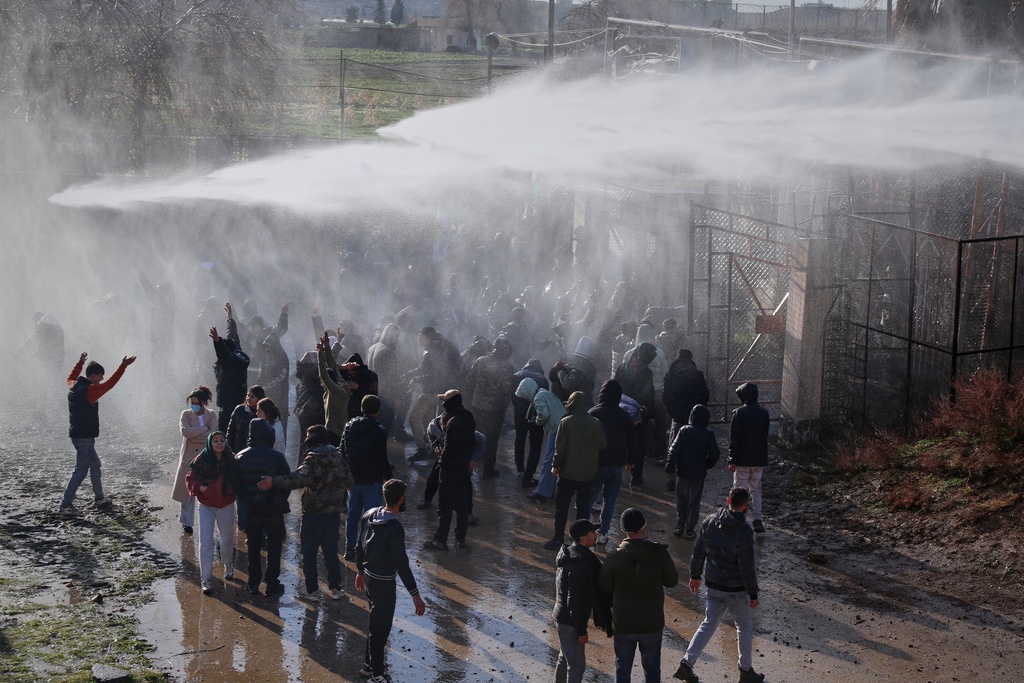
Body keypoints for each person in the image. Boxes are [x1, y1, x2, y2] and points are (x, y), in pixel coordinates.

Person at [673, 488, 763, 683]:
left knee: (708, 624)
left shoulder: (710, 521)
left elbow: (698, 552)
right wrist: (753, 593)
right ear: (746, 505)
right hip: (736, 589)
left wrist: (695, 576)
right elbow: (746, 566)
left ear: (728, 500)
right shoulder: (745, 531)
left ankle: (686, 663)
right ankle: (746, 671)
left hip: (713, 584)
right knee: (744, 627)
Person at [258, 425, 351, 601]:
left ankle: (312, 591)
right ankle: (336, 589)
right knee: (331, 552)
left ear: (313, 438)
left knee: (309, 553)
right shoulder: (338, 456)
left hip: (313, 514)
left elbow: (297, 479)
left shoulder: (312, 459)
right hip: (333, 514)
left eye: (308, 435)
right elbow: (350, 480)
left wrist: (273, 481)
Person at [355, 478, 427, 683]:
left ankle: (369, 665)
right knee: (381, 628)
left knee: (374, 622)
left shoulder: (369, 514)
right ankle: (377, 675)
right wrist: (416, 596)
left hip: (369, 577)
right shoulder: (394, 528)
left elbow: (359, 546)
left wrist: (360, 571)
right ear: (402, 499)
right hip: (384, 583)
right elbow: (402, 565)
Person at [598, 507, 679, 683]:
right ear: (644, 527)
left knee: (623, 668)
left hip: (623, 623)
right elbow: (672, 581)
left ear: (623, 530)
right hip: (652, 623)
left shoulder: (615, 557)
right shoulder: (659, 554)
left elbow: (604, 587)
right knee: (651, 669)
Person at [59, 352, 136, 516]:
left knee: (95, 465)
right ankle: (66, 505)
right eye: (100, 376)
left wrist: (80, 363)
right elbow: (110, 384)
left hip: (78, 435)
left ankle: (99, 498)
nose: (101, 379)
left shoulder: (73, 384)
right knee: (80, 471)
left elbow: (71, 375)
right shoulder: (90, 390)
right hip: (84, 437)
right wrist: (123, 366)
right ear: (93, 376)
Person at [234, 418, 291, 597]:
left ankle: (253, 583)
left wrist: (250, 499)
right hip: (274, 511)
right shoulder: (277, 456)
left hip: (252, 511)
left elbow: (237, 486)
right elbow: (287, 482)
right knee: (274, 548)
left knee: (253, 547)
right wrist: (277, 498)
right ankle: (272, 583)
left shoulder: (240, 456)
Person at [553, 518, 612, 683]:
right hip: (570, 621)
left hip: (562, 617)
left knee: (564, 658)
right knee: (577, 666)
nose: (596, 534)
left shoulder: (572, 554)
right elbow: (575, 601)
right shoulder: (579, 564)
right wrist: (581, 631)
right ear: (582, 538)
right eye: (592, 532)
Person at [545, 391, 606, 550]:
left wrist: (555, 465)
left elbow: (560, 449)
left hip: (567, 474)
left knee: (561, 508)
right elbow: (603, 445)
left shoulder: (566, 422)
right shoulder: (595, 422)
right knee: (583, 509)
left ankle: (558, 538)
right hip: (587, 474)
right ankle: (580, 542)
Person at [184, 431, 236, 595]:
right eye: (215, 440)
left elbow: (240, 477)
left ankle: (228, 565)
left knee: (226, 540)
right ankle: (206, 578)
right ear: (210, 443)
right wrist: (201, 487)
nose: (219, 443)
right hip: (206, 505)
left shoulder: (231, 458)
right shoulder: (201, 460)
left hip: (226, 504)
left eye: (222, 440)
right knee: (205, 542)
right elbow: (190, 479)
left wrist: (231, 489)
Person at [588, 379, 639, 545]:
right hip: (617, 463)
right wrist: (631, 461)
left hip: (597, 463)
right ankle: (603, 533)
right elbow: (633, 440)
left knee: (590, 497)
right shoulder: (624, 415)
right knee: (610, 500)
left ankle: (587, 532)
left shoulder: (593, 413)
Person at [342, 395, 392, 561]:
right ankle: (369, 549)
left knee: (352, 515)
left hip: (353, 479)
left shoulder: (349, 426)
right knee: (373, 517)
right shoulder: (379, 431)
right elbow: (381, 459)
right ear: (377, 411)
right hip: (371, 479)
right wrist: (389, 479)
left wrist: (345, 476)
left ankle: (350, 548)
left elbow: (342, 452)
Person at [423, 390, 475, 551]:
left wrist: (441, 459)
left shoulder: (454, 421)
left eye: (444, 401)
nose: (443, 404)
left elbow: (449, 447)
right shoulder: (468, 417)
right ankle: (460, 538)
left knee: (444, 507)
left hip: (451, 469)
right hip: (463, 468)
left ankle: (440, 539)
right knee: (461, 506)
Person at [666, 404, 720, 539]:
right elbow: (714, 454)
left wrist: (670, 467)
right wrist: (706, 465)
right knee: (694, 501)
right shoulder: (708, 434)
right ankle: (690, 529)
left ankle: (680, 525)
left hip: (683, 471)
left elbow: (673, 450)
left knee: (681, 498)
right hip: (699, 472)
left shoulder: (684, 430)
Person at [464, 337, 515, 478]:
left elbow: (469, 382)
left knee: (475, 436)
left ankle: (467, 465)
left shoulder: (480, 360)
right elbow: (506, 389)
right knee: (491, 440)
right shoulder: (507, 366)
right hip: (495, 409)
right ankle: (488, 470)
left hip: (477, 405)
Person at [515, 377, 567, 503]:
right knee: (560, 461)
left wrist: (535, 422)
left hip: (556, 429)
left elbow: (543, 414)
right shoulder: (544, 392)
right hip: (564, 426)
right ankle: (553, 489)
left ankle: (542, 492)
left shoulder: (538, 397)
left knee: (549, 461)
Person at [173, 386, 217, 535]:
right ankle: (186, 522)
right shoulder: (185, 414)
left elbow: (214, 434)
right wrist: (205, 428)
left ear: (203, 402)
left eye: (196, 402)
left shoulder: (212, 414)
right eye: (191, 402)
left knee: (207, 488)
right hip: (189, 457)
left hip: (206, 457)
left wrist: (196, 433)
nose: (193, 405)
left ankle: (208, 522)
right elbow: (185, 432)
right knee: (187, 490)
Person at [729, 383, 770, 534]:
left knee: (739, 489)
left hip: (742, 459)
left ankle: (737, 517)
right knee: (756, 489)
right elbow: (764, 436)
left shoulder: (739, 413)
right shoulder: (764, 413)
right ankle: (757, 519)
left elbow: (735, 439)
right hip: (759, 459)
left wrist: (732, 459)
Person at [211, 308, 250, 432]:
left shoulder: (229, 362)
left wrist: (217, 342)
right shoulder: (238, 353)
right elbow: (233, 335)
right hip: (239, 401)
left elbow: (223, 353)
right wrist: (230, 319)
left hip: (227, 404)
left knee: (225, 432)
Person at [511, 359, 548, 487]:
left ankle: (519, 467)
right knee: (535, 445)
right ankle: (529, 474)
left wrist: (517, 407)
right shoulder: (542, 379)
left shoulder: (517, 375)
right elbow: (544, 397)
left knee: (519, 438)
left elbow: (513, 395)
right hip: (536, 413)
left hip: (519, 413)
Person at [317, 331, 356, 447]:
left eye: (322, 383)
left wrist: (320, 355)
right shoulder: (342, 384)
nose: (322, 384)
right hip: (339, 432)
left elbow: (324, 375)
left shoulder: (336, 392)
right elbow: (333, 366)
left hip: (335, 434)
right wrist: (327, 347)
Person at [662, 349, 710, 444]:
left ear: (677, 358)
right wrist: (700, 408)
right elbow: (705, 394)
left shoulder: (671, 374)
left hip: (677, 412)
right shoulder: (698, 374)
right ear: (690, 358)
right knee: (695, 442)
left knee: (676, 441)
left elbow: (665, 396)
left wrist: (671, 411)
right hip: (694, 411)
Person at [226, 385, 265, 454]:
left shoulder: (262, 413)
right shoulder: (239, 409)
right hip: (237, 451)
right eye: (248, 395)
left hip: (254, 453)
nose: (248, 398)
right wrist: (229, 449)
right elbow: (230, 431)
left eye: (252, 397)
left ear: (259, 398)